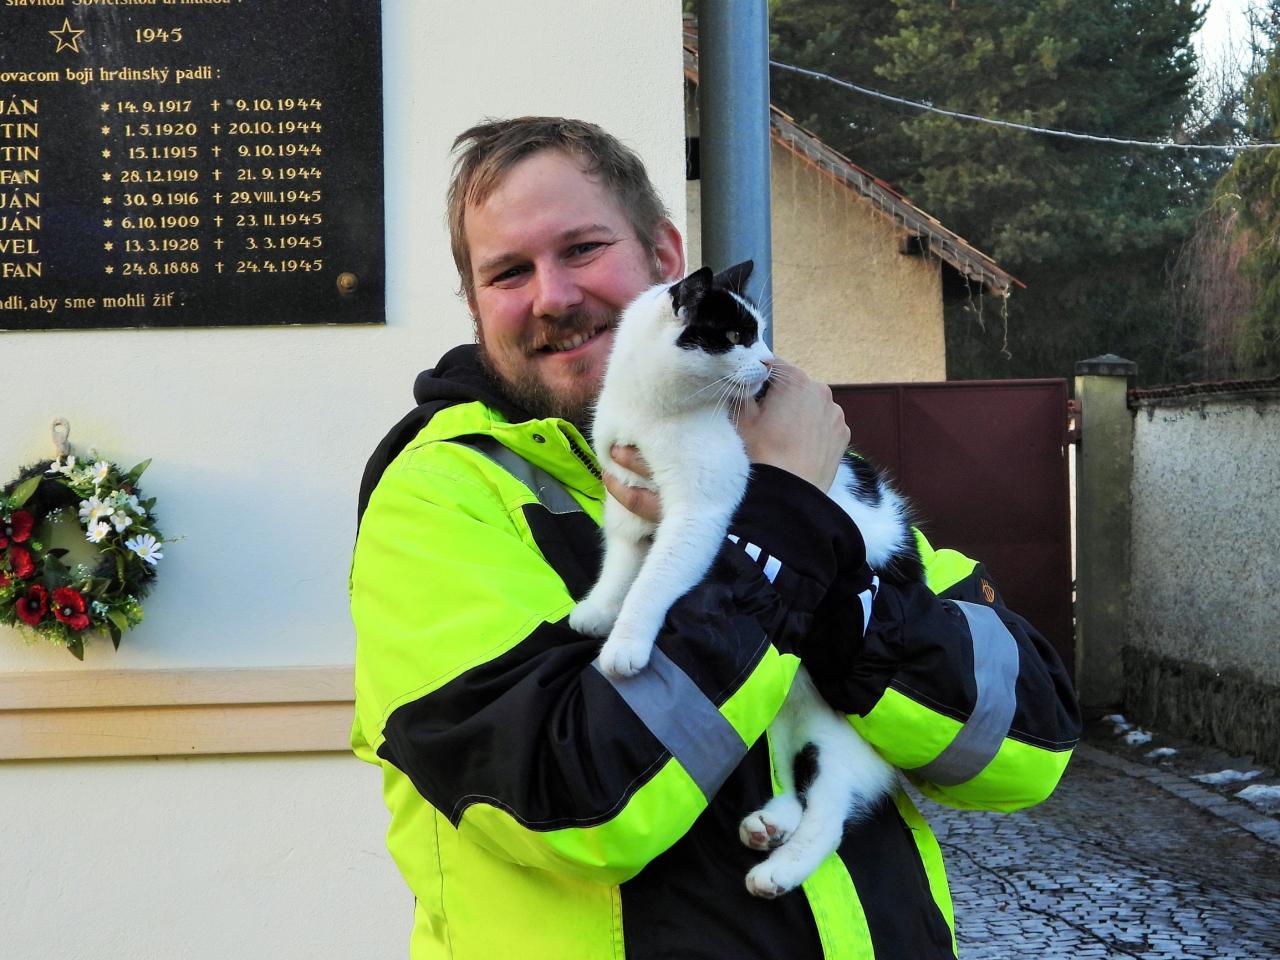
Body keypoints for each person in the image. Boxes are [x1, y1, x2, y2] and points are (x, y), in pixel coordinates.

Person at [350, 116, 1080, 960]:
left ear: (666, 257)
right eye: (508, 272)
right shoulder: (440, 499)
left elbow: (1026, 745)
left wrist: (805, 549)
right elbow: (576, 802)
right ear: (477, 306)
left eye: (583, 248)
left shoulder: (791, 461)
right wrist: (779, 531)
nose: (552, 296)